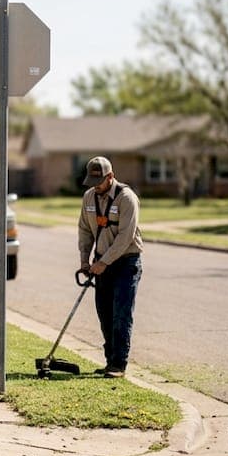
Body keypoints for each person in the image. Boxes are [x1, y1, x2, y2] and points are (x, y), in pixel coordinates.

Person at [77, 156, 143, 378]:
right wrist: (85, 261)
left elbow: (125, 237)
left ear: (110, 177)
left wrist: (103, 262)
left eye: (99, 182)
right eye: (92, 182)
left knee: (121, 314)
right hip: (100, 263)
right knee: (105, 313)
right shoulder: (89, 197)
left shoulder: (127, 198)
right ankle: (110, 361)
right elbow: (85, 230)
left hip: (126, 262)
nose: (95, 187)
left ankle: (119, 365)